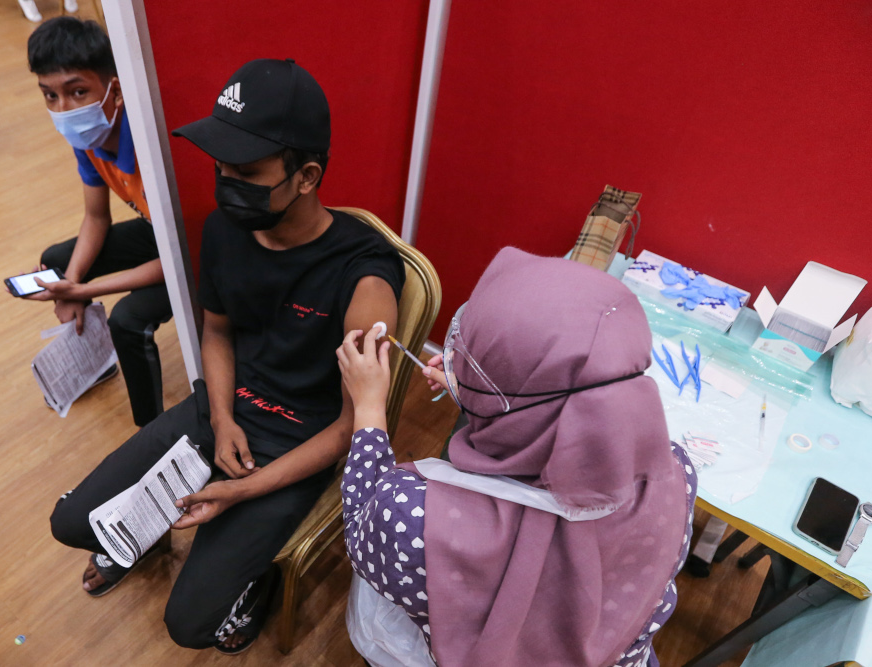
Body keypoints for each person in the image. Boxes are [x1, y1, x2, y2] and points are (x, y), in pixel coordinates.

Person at [48, 58, 405, 654]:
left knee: (191, 626)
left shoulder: (364, 279)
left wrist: (242, 489)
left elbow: (352, 426)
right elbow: (217, 333)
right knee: (71, 525)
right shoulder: (223, 230)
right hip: (224, 408)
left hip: (298, 440)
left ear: (307, 175)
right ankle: (151, 526)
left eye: (245, 170)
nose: (225, 181)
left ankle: (255, 579)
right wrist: (220, 420)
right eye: (220, 166)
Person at [337, 247, 696, 667]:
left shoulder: (410, 517)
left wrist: (368, 406)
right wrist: (476, 392)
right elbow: (564, 417)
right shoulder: (675, 473)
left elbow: (361, 518)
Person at [25, 17, 170, 427]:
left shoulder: (149, 146)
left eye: (77, 91)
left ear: (115, 89)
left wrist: (84, 287)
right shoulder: (88, 140)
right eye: (49, 95)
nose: (63, 109)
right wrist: (67, 284)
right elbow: (95, 216)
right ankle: (94, 358)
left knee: (129, 320)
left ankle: (151, 430)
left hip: (197, 252)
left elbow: (178, 258)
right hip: (159, 234)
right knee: (57, 259)